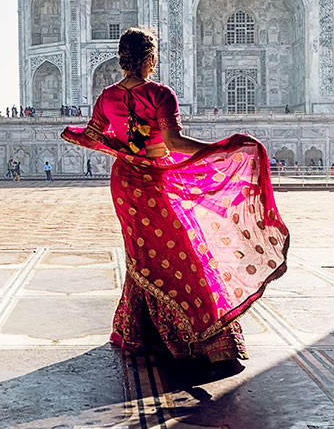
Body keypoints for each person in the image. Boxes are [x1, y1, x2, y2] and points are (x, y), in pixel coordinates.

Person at [62, 26, 290, 367]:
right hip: (154, 177)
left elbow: (94, 136)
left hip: (125, 181)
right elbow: (174, 144)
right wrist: (220, 149)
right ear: (150, 59)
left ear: (122, 59)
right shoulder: (160, 93)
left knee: (145, 254)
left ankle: (142, 332)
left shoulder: (107, 96)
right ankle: (195, 334)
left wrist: (120, 149)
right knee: (181, 249)